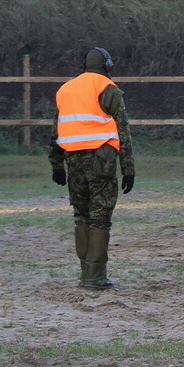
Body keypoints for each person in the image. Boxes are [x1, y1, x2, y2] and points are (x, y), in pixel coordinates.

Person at [46, 47, 134, 290]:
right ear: (107, 64)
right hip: (101, 160)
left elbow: (56, 131)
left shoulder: (65, 89)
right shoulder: (108, 88)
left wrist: (56, 164)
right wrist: (128, 169)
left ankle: (86, 274)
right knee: (100, 217)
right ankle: (96, 278)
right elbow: (123, 131)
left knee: (81, 215)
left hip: (72, 159)